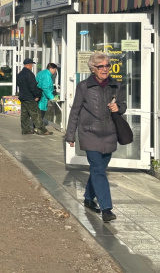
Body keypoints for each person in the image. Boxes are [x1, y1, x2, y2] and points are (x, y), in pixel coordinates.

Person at [65, 52, 126, 223]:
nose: (105, 69)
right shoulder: (84, 86)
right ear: (93, 69)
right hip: (90, 133)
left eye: (107, 65)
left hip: (109, 133)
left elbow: (123, 105)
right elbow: (75, 111)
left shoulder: (116, 84)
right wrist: (70, 135)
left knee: (97, 169)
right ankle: (107, 209)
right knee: (99, 170)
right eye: (101, 66)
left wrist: (118, 108)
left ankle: (88, 198)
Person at [17, 58, 50, 135]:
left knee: (24, 115)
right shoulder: (30, 74)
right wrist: (37, 95)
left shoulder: (20, 74)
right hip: (29, 97)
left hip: (22, 97)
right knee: (36, 114)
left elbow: (19, 85)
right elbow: (33, 87)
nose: (32, 66)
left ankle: (26, 129)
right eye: (31, 64)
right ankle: (42, 130)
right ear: (29, 65)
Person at [37, 63, 59, 127]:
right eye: (55, 69)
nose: (55, 71)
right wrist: (52, 97)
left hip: (39, 95)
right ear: (51, 69)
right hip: (42, 97)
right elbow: (45, 88)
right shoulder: (47, 75)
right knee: (41, 111)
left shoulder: (42, 72)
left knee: (39, 111)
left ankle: (37, 125)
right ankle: (39, 127)